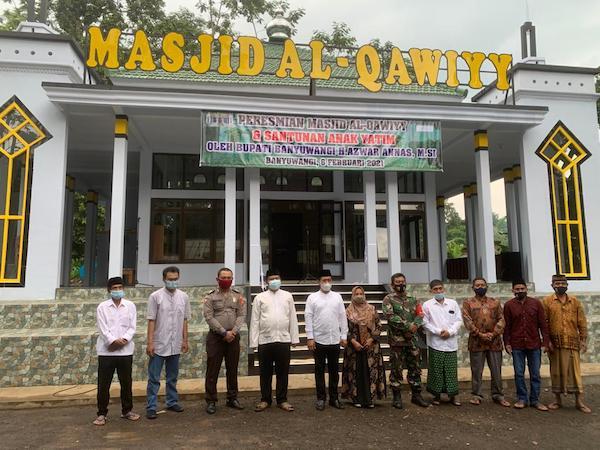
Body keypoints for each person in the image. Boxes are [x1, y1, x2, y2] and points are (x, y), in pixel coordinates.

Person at [250, 269, 300, 412]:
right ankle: (265, 399)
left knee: (282, 372)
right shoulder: (260, 298)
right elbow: (255, 321)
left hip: (283, 340)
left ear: (280, 279)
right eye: (271, 279)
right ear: (267, 281)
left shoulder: (287, 296)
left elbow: (292, 318)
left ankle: (282, 399)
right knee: (264, 372)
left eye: (277, 278)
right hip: (265, 340)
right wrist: (254, 342)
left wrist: (294, 338)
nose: (274, 281)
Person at [93, 277, 140, 426]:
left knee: (126, 383)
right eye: (115, 288)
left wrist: (124, 340)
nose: (118, 290)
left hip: (125, 351)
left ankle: (127, 411)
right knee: (103, 384)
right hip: (106, 352)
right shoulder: (102, 307)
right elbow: (102, 328)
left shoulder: (130, 306)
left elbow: (132, 327)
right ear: (109, 290)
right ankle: (101, 414)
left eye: (120, 287)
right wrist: (113, 341)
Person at [146, 266, 190, 419]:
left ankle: (172, 402)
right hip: (159, 343)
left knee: (172, 376)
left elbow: (185, 320)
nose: (173, 282)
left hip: (175, 343)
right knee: (154, 378)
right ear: (164, 279)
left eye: (175, 279)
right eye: (170, 279)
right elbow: (151, 320)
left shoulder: (184, 297)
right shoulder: (155, 297)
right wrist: (150, 343)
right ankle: (151, 406)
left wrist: (185, 340)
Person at [543, 274, 591, 413]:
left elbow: (581, 321)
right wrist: (547, 341)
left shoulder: (575, 301)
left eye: (562, 283)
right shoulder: (547, 301)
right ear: (552, 285)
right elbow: (544, 323)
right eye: (557, 284)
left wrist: (583, 340)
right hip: (555, 344)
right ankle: (557, 400)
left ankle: (579, 401)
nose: (560, 286)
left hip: (572, 343)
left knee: (575, 373)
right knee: (556, 372)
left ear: (567, 285)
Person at [382, 273, 430, 409]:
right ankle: (397, 396)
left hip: (412, 340)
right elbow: (390, 316)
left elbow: (420, 314)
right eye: (397, 282)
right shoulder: (388, 299)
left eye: (402, 281)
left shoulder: (413, 298)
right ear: (392, 284)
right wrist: (408, 326)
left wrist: (415, 325)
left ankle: (416, 395)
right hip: (397, 341)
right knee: (396, 368)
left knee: (415, 368)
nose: (400, 284)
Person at [203, 267, 247, 414]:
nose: (226, 280)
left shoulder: (238, 295)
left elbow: (241, 315)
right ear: (217, 279)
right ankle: (211, 400)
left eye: (229, 278)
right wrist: (223, 332)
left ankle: (232, 398)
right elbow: (209, 317)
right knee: (212, 370)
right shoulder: (210, 296)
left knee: (232, 368)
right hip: (216, 337)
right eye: (224, 277)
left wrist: (233, 332)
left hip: (233, 337)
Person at [462, 277, 510, 407]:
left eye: (482, 285)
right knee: (477, 371)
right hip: (476, 342)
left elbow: (502, 319)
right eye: (477, 285)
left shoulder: (495, 302)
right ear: (473, 288)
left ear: (487, 286)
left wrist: (494, 333)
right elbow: (467, 320)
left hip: (494, 342)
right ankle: (476, 395)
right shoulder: (468, 303)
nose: (480, 287)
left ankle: (498, 395)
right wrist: (480, 334)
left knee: (496, 370)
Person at [503, 279, 550, 411]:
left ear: (526, 289)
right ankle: (522, 398)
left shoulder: (536, 304)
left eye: (522, 289)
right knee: (519, 373)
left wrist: (545, 342)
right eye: (517, 289)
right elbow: (507, 327)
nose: (520, 291)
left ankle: (535, 400)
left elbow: (543, 324)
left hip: (534, 344)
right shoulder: (509, 305)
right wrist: (507, 343)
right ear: (513, 290)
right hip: (517, 344)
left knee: (535, 374)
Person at [305, 269, 348, 411]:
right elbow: (308, 318)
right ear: (319, 282)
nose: (327, 283)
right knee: (319, 370)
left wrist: (344, 336)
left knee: (334, 371)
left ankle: (334, 398)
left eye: (329, 280)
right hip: (319, 340)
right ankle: (321, 398)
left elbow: (342, 317)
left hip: (334, 340)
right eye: (324, 280)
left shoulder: (337, 297)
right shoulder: (312, 298)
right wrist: (310, 337)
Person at [341, 286, 386, 408]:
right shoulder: (348, 311)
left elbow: (378, 326)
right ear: (352, 295)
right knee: (356, 372)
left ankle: (370, 398)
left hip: (371, 347)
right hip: (354, 348)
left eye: (361, 293)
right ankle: (357, 398)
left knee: (370, 371)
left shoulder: (371, 309)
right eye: (357, 293)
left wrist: (371, 339)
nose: (359, 295)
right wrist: (353, 342)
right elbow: (344, 329)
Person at [422, 279, 462, 406]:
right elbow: (425, 322)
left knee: (451, 370)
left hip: (450, 343)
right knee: (436, 370)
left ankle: (453, 396)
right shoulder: (427, 305)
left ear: (443, 289)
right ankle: (436, 395)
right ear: (431, 291)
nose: (438, 291)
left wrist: (450, 332)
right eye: (435, 289)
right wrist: (438, 331)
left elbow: (458, 320)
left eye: (440, 288)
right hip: (436, 343)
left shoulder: (452, 303)